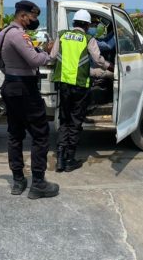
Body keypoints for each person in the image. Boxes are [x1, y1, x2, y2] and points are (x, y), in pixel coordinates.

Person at [0, 0, 59, 199]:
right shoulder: (18, 34)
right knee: (40, 134)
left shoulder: (3, 34)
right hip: (25, 90)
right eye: (33, 17)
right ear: (23, 15)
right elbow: (35, 60)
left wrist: (9, 72)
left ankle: (18, 180)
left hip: (10, 86)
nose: (35, 21)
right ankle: (38, 183)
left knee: (15, 134)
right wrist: (49, 54)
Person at [50, 9, 113, 172]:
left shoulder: (62, 35)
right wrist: (110, 66)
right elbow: (98, 60)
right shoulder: (88, 39)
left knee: (64, 120)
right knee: (75, 121)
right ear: (86, 25)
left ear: (74, 23)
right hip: (80, 86)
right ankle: (70, 159)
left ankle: (60, 160)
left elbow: (52, 56)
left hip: (63, 85)